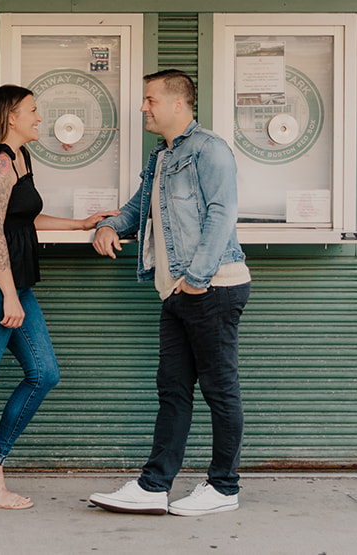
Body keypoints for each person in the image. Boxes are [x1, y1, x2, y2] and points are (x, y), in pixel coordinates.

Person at [86, 69, 251, 517]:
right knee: (173, 390)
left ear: (178, 103)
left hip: (212, 286)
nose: (143, 107)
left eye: (150, 99)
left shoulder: (209, 150)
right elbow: (139, 208)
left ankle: (224, 487)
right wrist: (107, 225)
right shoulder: (163, 156)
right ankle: (154, 486)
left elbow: (222, 214)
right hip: (178, 291)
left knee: (220, 389)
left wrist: (197, 278)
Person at [0, 84, 112, 510]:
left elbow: (23, 217)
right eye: (33, 111)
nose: (40, 118)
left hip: (11, 283)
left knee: (44, 373)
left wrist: (80, 225)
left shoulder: (21, 158)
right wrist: (9, 295)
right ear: (10, 117)